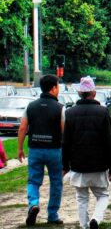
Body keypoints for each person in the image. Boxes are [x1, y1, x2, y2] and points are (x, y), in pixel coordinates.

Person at [62, 76, 111, 229]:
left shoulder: (70, 113)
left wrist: (65, 165)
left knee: (81, 198)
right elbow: (108, 142)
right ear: (93, 92)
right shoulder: (103, 112)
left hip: (78, 164)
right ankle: (96, 219)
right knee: (102, 195)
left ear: (80, 93)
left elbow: (65, 142)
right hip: (99, 164)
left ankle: (85, 226)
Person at [17, 74, 64, 226]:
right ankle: (52, 215)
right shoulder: (60, 108)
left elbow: (23, 128)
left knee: (33, 180)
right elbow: (65, 132)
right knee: (56, 182)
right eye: (58, 86)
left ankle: (34, 204)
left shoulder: (31, 106)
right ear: (54, 88)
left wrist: (19, 149)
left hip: (35, 149)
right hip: (54, 151)